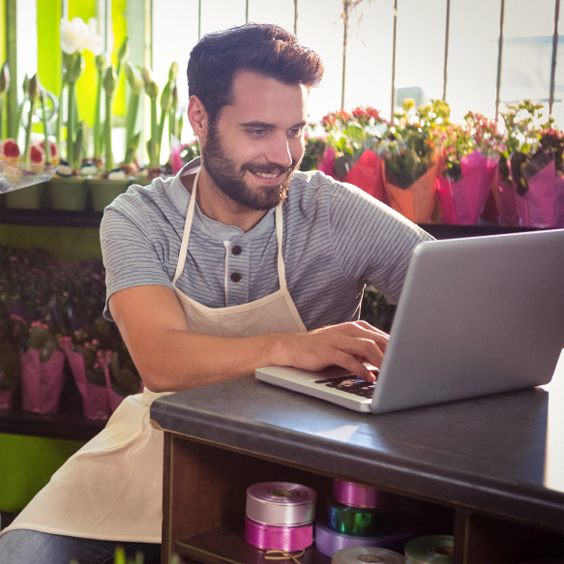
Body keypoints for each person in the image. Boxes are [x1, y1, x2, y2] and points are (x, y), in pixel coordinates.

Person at [0, 23, 433, 563]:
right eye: (258, 130)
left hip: (310, 454)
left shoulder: (334, 210)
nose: (283, 155)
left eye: (295, 130)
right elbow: (162, 360)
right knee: (24, 554)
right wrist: (290, 348)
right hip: (166, 444)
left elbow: (450, 297)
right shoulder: (138, 218)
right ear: (199, 118)